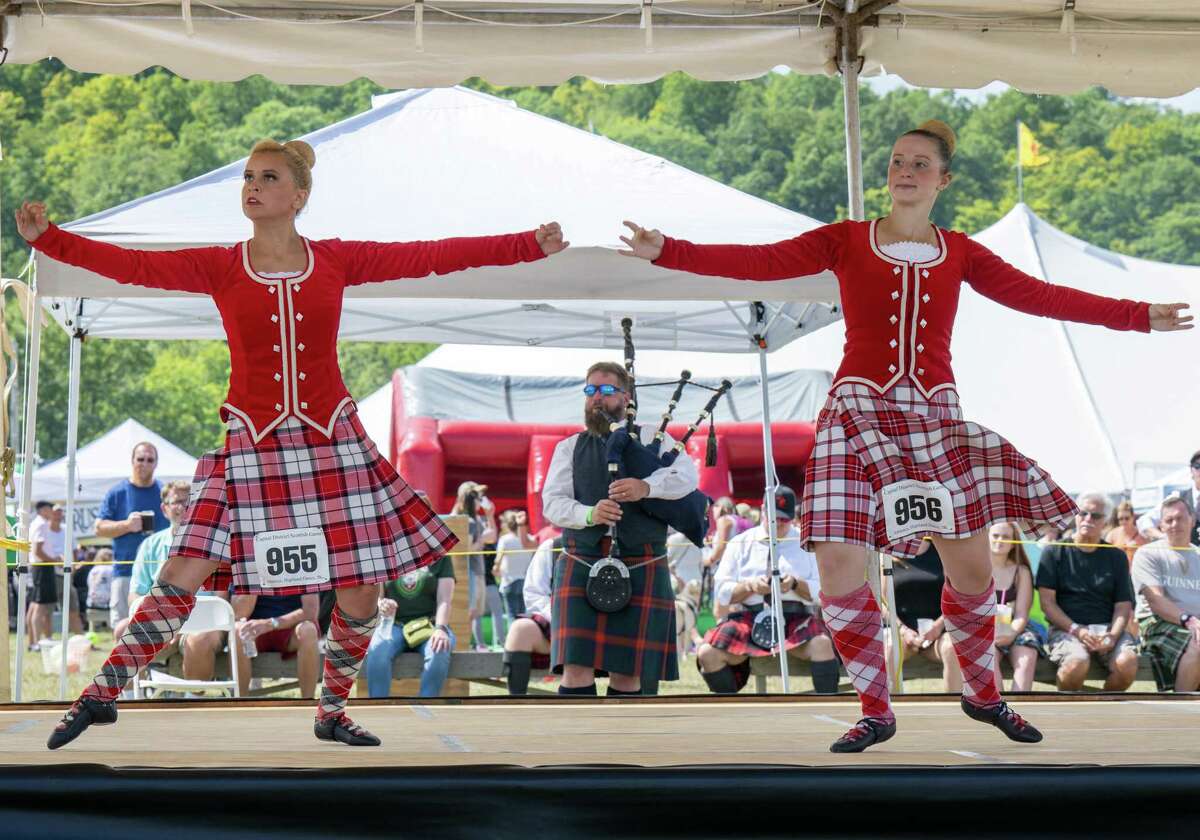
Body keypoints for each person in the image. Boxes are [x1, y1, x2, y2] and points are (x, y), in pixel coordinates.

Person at [618, 118, 1191, 750]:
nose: (905, 171)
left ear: (943, 179)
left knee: (972, 569)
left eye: (920, 163)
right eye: (897, 161)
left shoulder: (962, 251)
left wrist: (1139, 316)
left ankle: (982, 692)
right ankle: (875, 707)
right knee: (836, 559)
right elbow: (759, 262)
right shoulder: (846, 239)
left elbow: (1041, 297)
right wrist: (668, 250)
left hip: (934, 420)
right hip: (854, 413)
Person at [21, 138, 566, 749]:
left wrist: (524, 245)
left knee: (362, 587)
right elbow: (133, 267)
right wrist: (51, 240)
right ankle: (102, 694)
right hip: (251, 443)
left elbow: (430, 256)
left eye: (268, 177)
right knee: (184, 567)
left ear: (299, 196)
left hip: (332, 439)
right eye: (248, 177)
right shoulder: (220, 264)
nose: (252, 186)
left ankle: (331, 710)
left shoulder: (333, 259)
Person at [542, 360, 699, 695]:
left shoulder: (651, 439)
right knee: (575, 670)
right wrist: (589, 514)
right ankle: (577, 745)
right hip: (581, 561)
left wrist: (647, 488)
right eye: (590, 390)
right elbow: (552, 503)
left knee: (628, 674)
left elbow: (687, 478)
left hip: (641, 561)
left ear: (626, 397)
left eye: (606, 390)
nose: (597, 398)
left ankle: (619, 745)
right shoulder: (569, 447)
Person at [696, 487, 838, 695]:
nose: (778, 525)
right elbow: (722, 592)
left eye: (784, 520)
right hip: (748, 617)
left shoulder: (807, 544)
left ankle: (827, 708)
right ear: (763, 511)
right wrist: (750, 586)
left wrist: (795, 584)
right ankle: (734, 712)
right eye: (773, 518)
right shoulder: (740, 543)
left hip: (796, 617)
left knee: (822, 645)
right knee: (707, 653)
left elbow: (823, 591)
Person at [1036, 493, 1139, 692]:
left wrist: (1112, 635)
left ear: (1106, 521)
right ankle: (1071, 716)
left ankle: (1104, 712)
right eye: (1082, 513)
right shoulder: (1054, 552)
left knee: (1127, 663)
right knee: (1077, 662)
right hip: (1067, 629)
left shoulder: (1116, 556)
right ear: (1075, 515)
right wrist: (1077, 630)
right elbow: (1047, 604)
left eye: (1096, 515)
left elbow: (1124, 605)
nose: (1088, 519)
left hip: (1108, 629)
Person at [129, 480, 226, 683]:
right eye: (176, 502)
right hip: (159, 620)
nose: (183, 507)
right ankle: (132, 700)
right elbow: (135, 595)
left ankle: (194, 701)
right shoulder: (149, 545)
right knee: (123, 630)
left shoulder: (215, 543)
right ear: (165, 509)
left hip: (205, 622)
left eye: (189, 501)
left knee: (198, 641)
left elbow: (221, 597)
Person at [94, 442, 170, 635]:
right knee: (122, 630)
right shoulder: (117, 492)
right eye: (140, 459)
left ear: (156, 463)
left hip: (159, 574)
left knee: (159, 632)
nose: (144, 464)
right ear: (132, 461)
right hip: (125, 571)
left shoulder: (165, 493)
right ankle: (124, 666)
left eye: (149, 460)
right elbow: (99, 528)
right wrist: (126, 525)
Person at [363, 550, 456, 698]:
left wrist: (440, 629)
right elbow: (378, 598)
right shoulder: (383, 552)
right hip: (393, 624)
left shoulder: (440, 556)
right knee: (377, 649)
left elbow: (445, 600)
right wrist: (382, 605)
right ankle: (378, 708)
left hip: (430, 624)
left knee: (439, 648)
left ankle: (425, 708)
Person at [1131, 494, 1200, 692]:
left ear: (1192, 520)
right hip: (1157, 624)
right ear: (1161, 525)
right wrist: (1190, 620)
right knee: (1198, 643)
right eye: (1168, 520)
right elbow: (1156, 601)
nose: (1174, 524)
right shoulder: (1148, 554)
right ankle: (1181, 708)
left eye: (1180, 518)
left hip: (1194, 623)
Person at [883, 540, 960, 692]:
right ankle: (890, 709)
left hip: (938, 629)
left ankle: (953, 708)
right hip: (901, 631)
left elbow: (955, 596)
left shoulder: (942, 549)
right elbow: (884, 603)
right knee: (890, 647)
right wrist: (903, 630)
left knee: (952, 648)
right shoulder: (888, 554)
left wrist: (938, 626)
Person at [979, 521, 1043, 692]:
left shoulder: (1021, 572)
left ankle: (1020, 710)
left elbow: (1022, 613)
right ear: (987, 538)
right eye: (995, 535)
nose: (1000, 540)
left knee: (1027, 659)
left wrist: (1011, 633)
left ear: (1014, 541)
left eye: (1006, 536)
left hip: (1016, 627)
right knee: (987, 658)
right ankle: (999, 708)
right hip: (984, 629)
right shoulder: (978, 568)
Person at [233, 592, 321, 699]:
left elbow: (310, 612)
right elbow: (238, 615)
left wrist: (270, 623)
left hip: (292, 627)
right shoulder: (249, 574)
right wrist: (254, 579)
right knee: (237, 630)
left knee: (309, 630)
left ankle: (308, 704)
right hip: (255, 628)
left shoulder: (307, 573)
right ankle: (240, 703)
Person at [502, 535, 559, 695]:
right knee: (520, 630)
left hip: (611, 628)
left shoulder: (628, 544)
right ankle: (516, 707)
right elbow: (534, 593)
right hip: (561, 630)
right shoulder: (553, 546)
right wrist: (561, 620)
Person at [27, 502, 75, 646]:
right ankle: (35, 642)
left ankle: (33, 642)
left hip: (39, 567)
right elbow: (38, 551)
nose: (51, 512)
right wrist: (55, 561)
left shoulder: (37, 523)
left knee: (35, 605)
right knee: (40, 606)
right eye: (49, 509)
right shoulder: (41, 524)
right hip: (42, 567)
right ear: (43, 510)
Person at [1136, 449, 1200, 546]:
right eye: (1198, 466)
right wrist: (1164, 537)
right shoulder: (1178, 498)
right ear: (1191, 471)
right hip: (1184, 558)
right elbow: (1145, 521)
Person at [494, 509, 537, 632]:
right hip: (525, 581)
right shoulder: (529, 538)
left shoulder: (505, 540)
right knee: (523, 615)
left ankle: (513, 642)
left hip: (509, 581)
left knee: (512, 615)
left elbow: (498, 560)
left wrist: (495, 569)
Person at [1105, 500, 1148, 567]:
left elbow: (1147, 557)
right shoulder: (1112, 534)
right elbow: (1106, 555)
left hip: (1136, 573)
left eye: (1127, 518)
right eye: (1120, 519)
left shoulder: (1142, 535)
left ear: (1133, 517)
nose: (1124, 521)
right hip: (1117, 572)